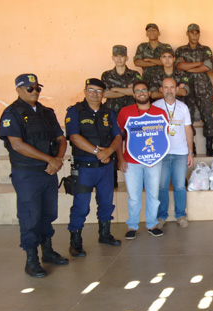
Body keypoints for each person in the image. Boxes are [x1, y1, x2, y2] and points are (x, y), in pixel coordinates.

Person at [0, 74, 68, 277]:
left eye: (37, 87)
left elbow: (61, 139)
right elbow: (17, 144)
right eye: (30, 88)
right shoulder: (12, 113)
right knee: (30, 215)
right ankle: (31, 259)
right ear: (18, 90)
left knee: (48, 212)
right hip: (27, 173)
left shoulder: (47, 112)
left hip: (49, 171)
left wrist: (57, 160)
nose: (35, 91)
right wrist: (50, 160)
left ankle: (47, 251)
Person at [65, 78, 123, 257]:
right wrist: (98, 151)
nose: (95, 94)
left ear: (103, 94)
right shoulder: (75, 111)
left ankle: (104, 234)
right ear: (85, 91)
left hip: (105, 167)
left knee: (106, 203)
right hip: (84, 168)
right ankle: (75, 241)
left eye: (98, 91)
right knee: (81, 206)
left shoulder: (109, 112)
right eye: (91, 90)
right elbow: (74, 137)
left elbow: (118, 136)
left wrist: (110, 152)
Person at [117, 80, 168, 239]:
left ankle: (152, 224)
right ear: (133, 95)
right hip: (131, 162)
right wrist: (120, 159)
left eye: (144, 90)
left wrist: (158, 156)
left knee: (153, 194)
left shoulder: (160, 112)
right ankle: (132, 225)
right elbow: (118, 137)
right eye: (137, 90)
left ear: (149, 93)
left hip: (154, 160)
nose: (141, 93)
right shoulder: (125, 112)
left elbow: (163, 138)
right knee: (134, 196)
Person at [153, 78, 194, 229]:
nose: (169, 90)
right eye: (166, 87)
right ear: (161, 89)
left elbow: (188, 130)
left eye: (172, 87)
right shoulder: (155, 107)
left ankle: (181, 215)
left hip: (180, 153)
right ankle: (161, 216)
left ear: (177, 89)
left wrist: (190, 152)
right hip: (162, 154)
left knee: (179, 185)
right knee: (162, 186)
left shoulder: (183, 107)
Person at [101, 45, 142, 188]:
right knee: (112, 144)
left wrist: (116, 89)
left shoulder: (135, 74)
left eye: (122, 56)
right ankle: (112, 178)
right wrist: (127, 91)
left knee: (135, 144)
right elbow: (105, 94)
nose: (119, 58)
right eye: (116, 56)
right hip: (112, 114)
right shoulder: (106, 75)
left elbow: (137, 92)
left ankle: (138, 179)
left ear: (127, 58)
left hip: (130, 115)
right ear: (112, 58)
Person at [175, 23, 213, 157]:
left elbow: (207, 67)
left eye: (196, 32)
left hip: (203, 88)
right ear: (187, 34)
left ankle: (209, 148)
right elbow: (178, 66)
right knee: (188, 118)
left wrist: (187, 67)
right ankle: (190, 148)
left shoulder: (206, 49)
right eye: (192, 32)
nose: (194, 35)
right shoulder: (180, 50)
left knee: (208, 117)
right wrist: (199, 63)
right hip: (187, 89)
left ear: (199, 34)